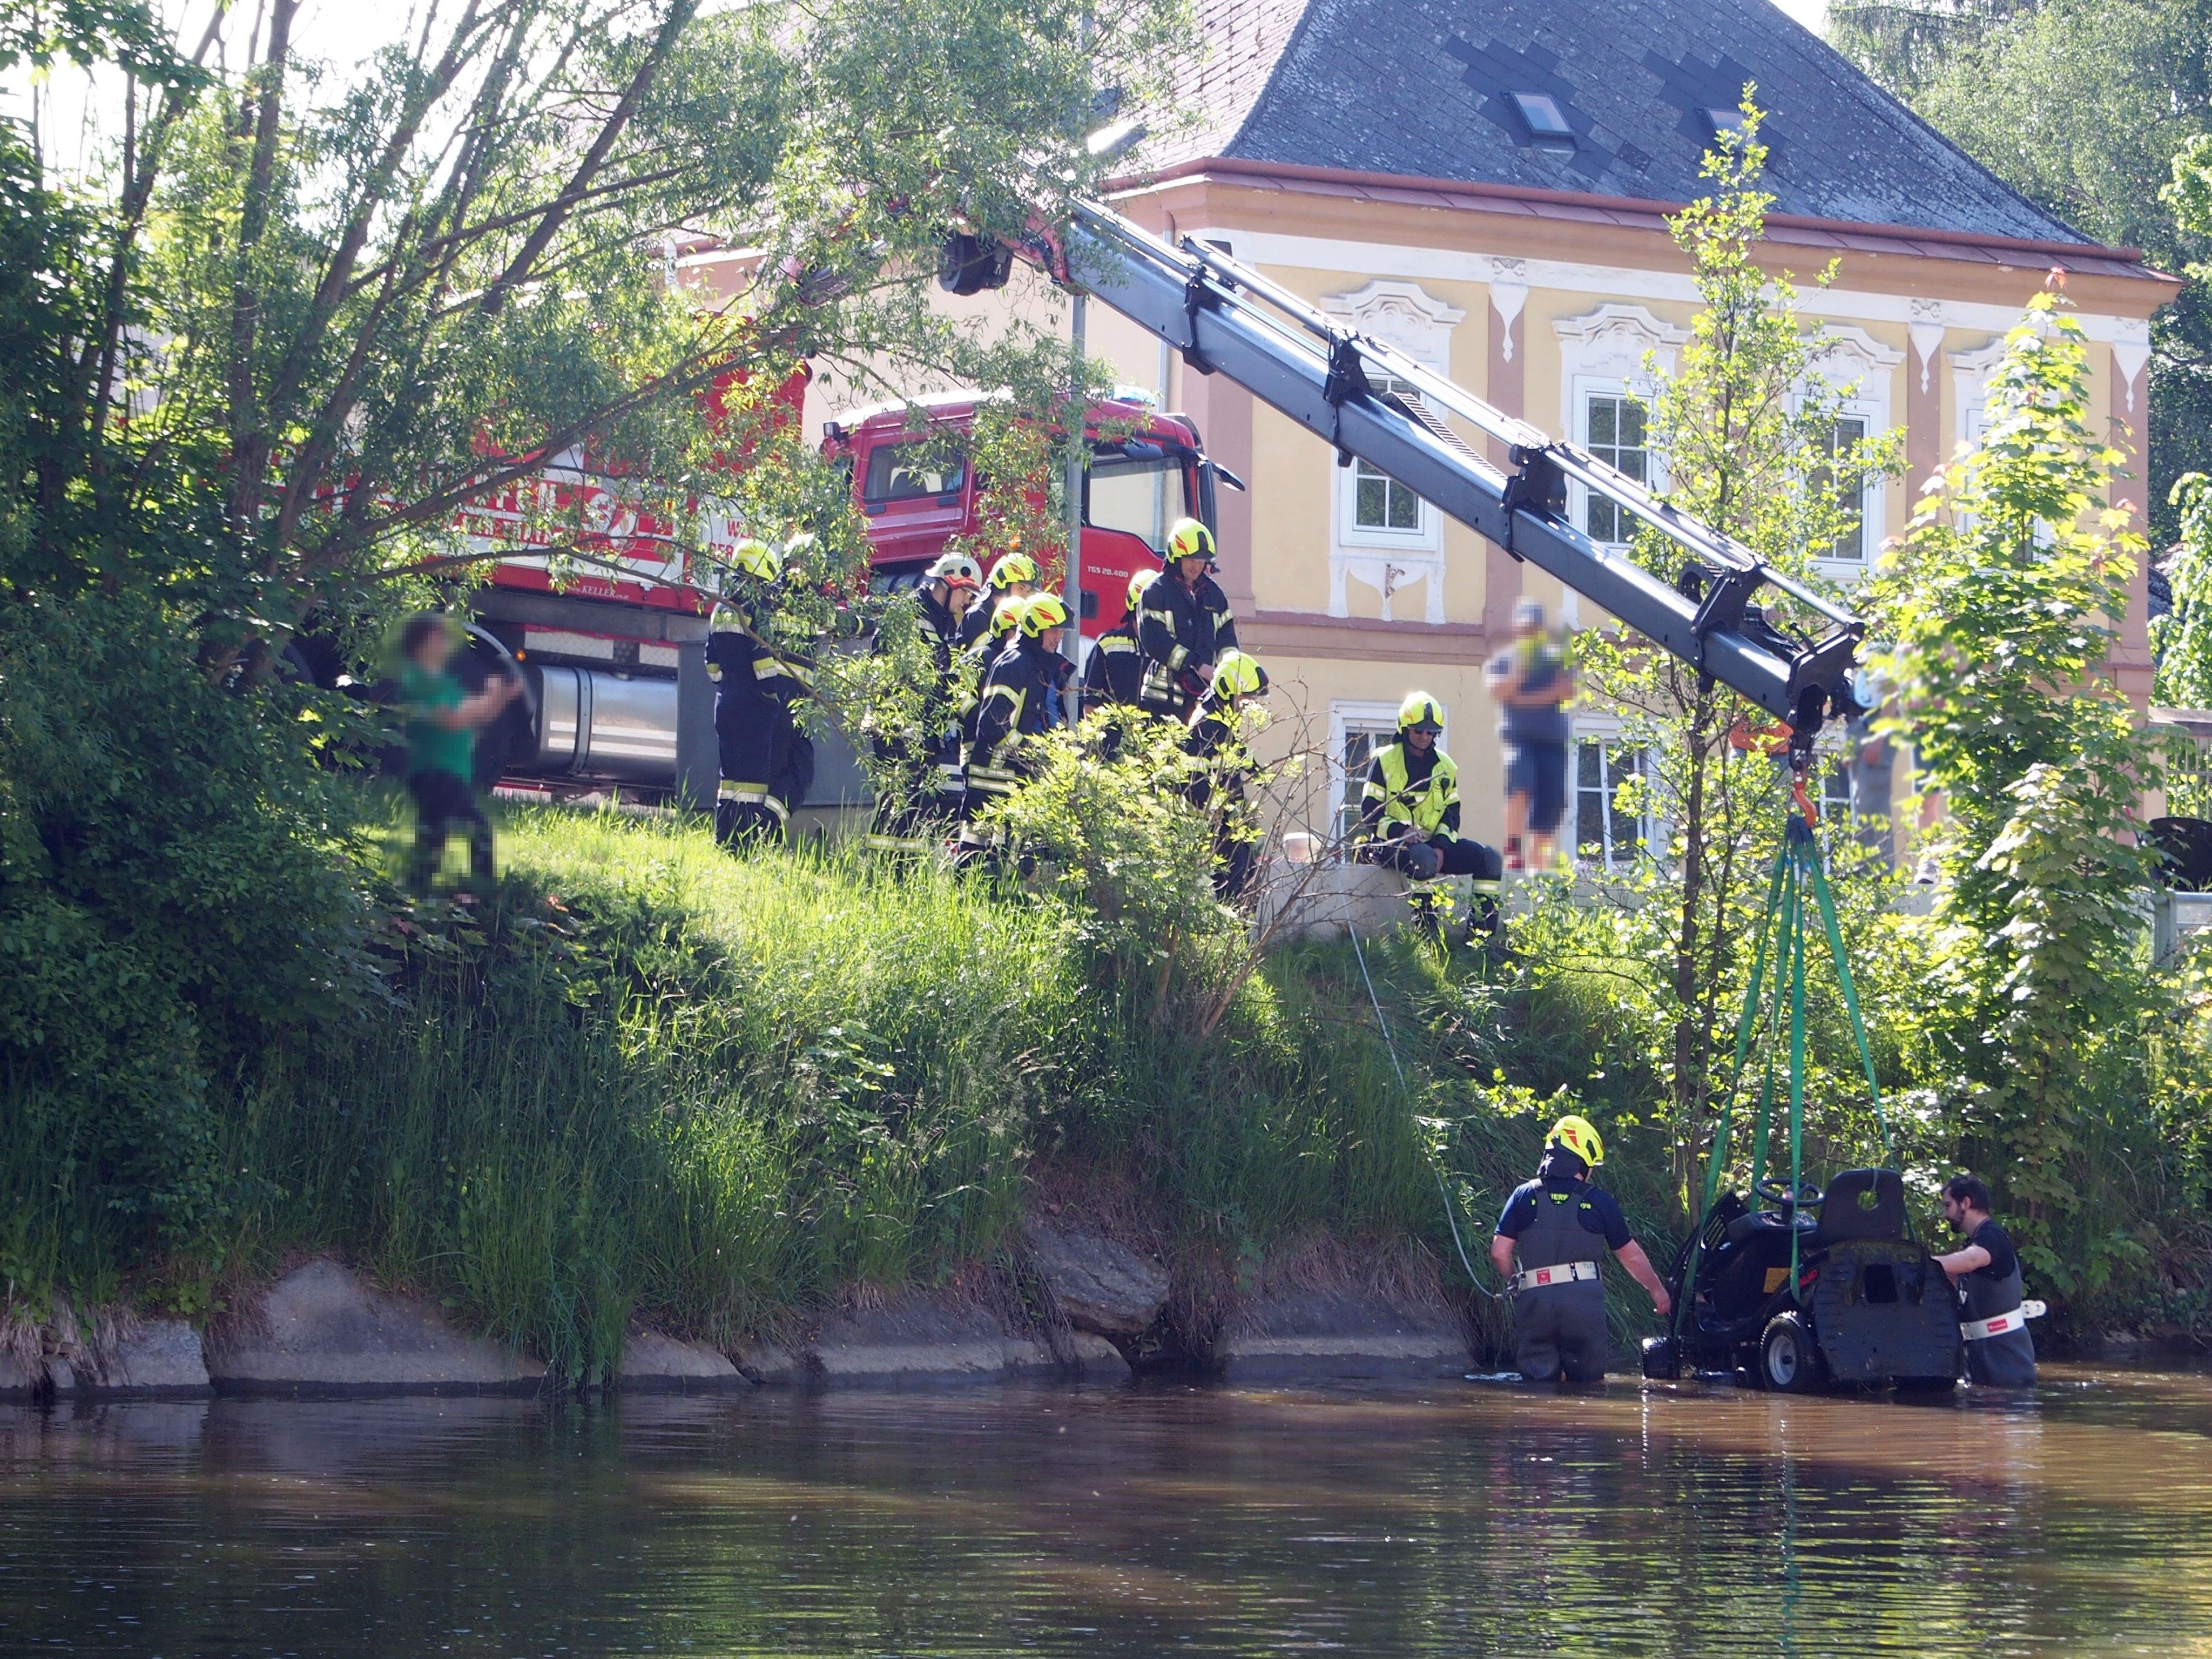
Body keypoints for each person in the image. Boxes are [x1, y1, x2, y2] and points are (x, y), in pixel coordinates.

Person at [1491, 1116, 1672, 1385]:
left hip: (1535, 1301)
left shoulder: (1522, 1195)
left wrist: (1514, 1282)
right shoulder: (1600, 1201)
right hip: (1582, 1303)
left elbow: (1499, 1252)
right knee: (1588, 1387)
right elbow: (1631, 1257)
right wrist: (1656, 1289)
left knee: (1536, 1386)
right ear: (1584, 1161)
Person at [1354, 692, 1505, 935]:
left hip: (1433, 847)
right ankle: (1428, 938)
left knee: (1490, 859)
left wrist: (1442, 846)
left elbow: (1452, 814)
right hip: (1391, 845)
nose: (1425, 737)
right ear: (1405, 729)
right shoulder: (1384, 761)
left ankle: (1481, 938)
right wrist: (1401, 832)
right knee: (1424, 859)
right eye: (1419, 731)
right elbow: (1369, 812)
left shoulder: (1446, 767)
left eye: (1431, 732)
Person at [865, 551, 981, 854]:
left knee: (920, 802)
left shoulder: (943, 624)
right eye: (966, 593)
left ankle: (906, 872)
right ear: (947, 584)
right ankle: (882, 871)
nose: (967, 602)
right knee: (896, 797)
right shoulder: (907, 617)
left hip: (923, 731)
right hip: (898, 727)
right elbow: (888, 673)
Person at [397, 612, 521, 893]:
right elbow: (451, 718)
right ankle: (479, 897)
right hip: (434, 773)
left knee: (435, 839)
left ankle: (416, 898)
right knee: (475, 832)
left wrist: (501, 697)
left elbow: (477, 715)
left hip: (450, 772)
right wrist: (494, 696)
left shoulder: (444, 681)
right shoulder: (417, 679)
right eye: (439, 638)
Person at [707, 537, 812, 848]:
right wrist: (770, 694)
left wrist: (729, 687)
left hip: (726, 701)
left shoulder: (722, 607)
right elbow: (763, 657)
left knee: (729, 781)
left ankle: (724, 841)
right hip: (755, 704)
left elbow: (712, 667)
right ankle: (747, 845)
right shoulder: (758, 604)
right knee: (754, 782)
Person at [958, 592, 1073, 854]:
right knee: (985, 850)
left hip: (1015, 772)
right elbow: (992, 723)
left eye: (1061, 632)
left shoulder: (1040, 665)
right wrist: (1028, 751)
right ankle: (980, 896)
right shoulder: (1015, 662)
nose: (1058, 637)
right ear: (1035, 628)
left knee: (1014, 850)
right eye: (1053, 630)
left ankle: (1005, 896)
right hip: (996, 773)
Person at [1485, 597, 1574, 873]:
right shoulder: (1504, 661)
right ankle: (1513, 849)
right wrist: (1520, 672)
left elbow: (1566, 691)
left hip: (1552, 741)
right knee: (1520, 783)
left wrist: (1521, 699)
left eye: (1534, 629)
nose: (1529, 634)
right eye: (1524, 629)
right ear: (1516, 630)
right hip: (1519, 739)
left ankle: (1539, 867)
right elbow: (1499, 692)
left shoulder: (1555, 660)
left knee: (1551, 802)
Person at [1934, 1174, 2039, 1388]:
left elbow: (1969, 1261)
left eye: (1948, 1205)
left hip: (2006, 1357)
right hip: (1983, 1353)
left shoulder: (1993, 1237)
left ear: (1966, 1203)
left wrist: (1921, 1262)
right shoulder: (1973, 1243)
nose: (1945, 1214)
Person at [1183, 649, 1269, 898]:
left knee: (1244, 882)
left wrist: (1258, 771)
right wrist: (1217, 813)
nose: (1248, 705)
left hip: (1228, 824)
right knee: (1230, 889)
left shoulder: (1224, 720)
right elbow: (1193, 782)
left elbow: (1236, 751)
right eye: (1245, 698)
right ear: (1228, 690)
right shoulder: (1206, 724)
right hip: (1211, 828)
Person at [1138, 517, 1238, 721]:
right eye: (1191, 559)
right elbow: (1156, 641)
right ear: (1177, 557)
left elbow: (1227, 642)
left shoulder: (1215, 595)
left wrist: (1231, 673)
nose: (1197, 566)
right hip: (1163, 701)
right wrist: (1197, 665)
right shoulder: (1156, 592)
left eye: (1202, 560)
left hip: (1204, 697)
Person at [958, 548, 1040, 651]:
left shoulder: (1019, 617)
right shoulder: (977, 616)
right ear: (1004, 584)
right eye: (1021, 588)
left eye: (1029, 591)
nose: (1025, 596)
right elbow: (985, 660)